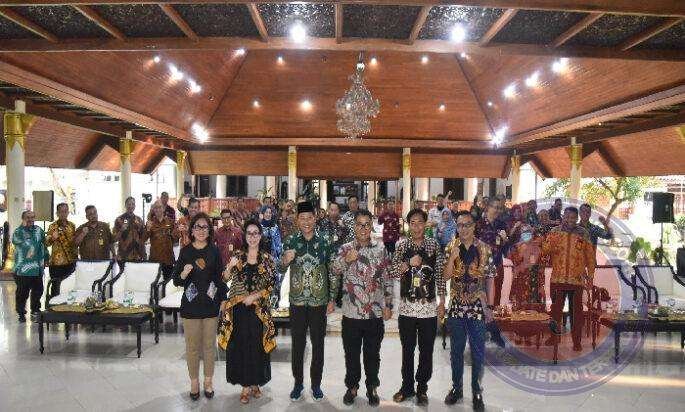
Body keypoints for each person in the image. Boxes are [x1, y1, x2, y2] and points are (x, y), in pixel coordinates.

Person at [331, 210, 393, 406]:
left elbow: (387, 279)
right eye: (359, 224)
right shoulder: (345, 248)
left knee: (372, 354)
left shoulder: (381, 249)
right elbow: (333, 270)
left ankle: (372, 387)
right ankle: (352, 387)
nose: (363, 228)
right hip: (351, 313)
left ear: (371, 226)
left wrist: (388, 304)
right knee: (351, 354)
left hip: (374, 313)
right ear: (354, 226)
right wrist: (346, 260)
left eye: (367, 224)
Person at [279, 201, 336, 402]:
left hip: (318, 302)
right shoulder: (290, 240)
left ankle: (316, 384)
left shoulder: (325, 240)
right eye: (302, 218)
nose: (306, 222)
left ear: (315, 218)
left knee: (318, 344)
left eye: (309, 218)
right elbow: (280, 269)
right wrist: (285, 260)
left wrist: (332, 298)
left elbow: (332, 271)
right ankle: (298, 383)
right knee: (298, 344)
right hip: (297, 302)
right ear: (297, 220)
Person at [390, 208, 446, 406]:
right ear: (408, 225)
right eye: (412, 223)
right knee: (407, 350)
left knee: (426, 350)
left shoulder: (433, 245)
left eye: (420, 222)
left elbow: (440, 275)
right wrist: (407, 263)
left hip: (428, 308)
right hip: (407, 308)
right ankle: (407, 387)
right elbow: (392, 271)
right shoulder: (401, 245)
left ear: (425, 224)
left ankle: (422, 388)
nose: (416, 227)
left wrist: (442, 301)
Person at [220, 219, 277, 404]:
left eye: (255, 233)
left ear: (260, 236)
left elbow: (271, 285)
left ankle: (255, 382)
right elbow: (224, 278)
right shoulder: (238, 255)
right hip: (238, 309)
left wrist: (254, 296)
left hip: (259, 310)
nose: (252, 237)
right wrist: (230, 265)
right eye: (249, 233)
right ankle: (245, 386)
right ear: (244, 236)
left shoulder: (267, 259)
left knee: (257, 347)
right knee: (241, 347)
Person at [443, 211, 494, 411]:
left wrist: (490, 306)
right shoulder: (450, 247)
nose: (463, 229)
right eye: (460, 225)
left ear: (474, 226)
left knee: (478, 352)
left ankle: (477, 390)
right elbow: (445, 277)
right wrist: (452, 258)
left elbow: (490, 279)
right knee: (456, 351)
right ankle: (457, 388)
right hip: (456, 307)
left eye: (467, 225)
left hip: (477, 307)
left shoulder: (485, 249)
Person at [173, 212, 226, 400]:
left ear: (209, 230)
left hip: (211, 305)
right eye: (197, 227)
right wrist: (184, 273)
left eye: (205, 227)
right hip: (191, 306)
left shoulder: (214, 251)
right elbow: (176, 280)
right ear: (192, 230)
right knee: (192, 347)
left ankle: (208, 382)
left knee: (209, 346)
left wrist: (223, 299)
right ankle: (194, 382)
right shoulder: (186, 251)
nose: (201, 230)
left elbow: (219, 278)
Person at [541, 206, 595, 352]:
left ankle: (576, 341)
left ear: (576, 219)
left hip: (576, 280)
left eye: (573, 218)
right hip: (557, 279)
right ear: (563, 217)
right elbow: (545, 250)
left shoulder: (583, 233)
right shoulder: (555, 231)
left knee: (576, 313)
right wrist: (551, 242)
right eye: (567, 217)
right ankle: (554, 337)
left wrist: (590, 277)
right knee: (555, 311)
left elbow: (590, 257)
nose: (569, 220)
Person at [12, 210, 48, 322]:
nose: (30, 219)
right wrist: (32, 247)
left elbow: (44, 244)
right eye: (28, 217)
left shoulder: (39, 230)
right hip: (23, 269)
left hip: (37, 268)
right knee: (22, 293)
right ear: (23, 219)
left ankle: (35, 311)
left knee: (38, 291)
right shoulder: (18, 232)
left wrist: (46, 257)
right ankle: (21, 313)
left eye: (32, 217)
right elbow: (20, 243)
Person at [475, 199, 510, 307]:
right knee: (481, 296)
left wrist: (505, 240)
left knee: (495, 296)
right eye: (495, 207)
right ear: (488, 207)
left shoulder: (502, 224)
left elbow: (505, 247)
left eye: (499, 208)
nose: (497, 210)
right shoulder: (478, 224)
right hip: (481, 265)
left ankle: (492, 313)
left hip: (497, 263)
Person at [45, 203, 77, 298]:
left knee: (69, 286)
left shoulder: (72, 225)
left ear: (68, 212)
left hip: (70, 261)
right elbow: (46, 243)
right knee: (56, 287)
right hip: (56, 264)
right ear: (57, 213)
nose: (63, 214)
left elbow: (75, 242)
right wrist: (52, 238)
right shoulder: (53, 226)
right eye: (61, 211)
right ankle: (54, 305)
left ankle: (68, 304)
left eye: (65, 211)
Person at [146, 201, 180, 281]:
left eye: (160, 207)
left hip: (168, 259)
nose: (158, 209)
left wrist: (175, 233)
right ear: (153, 210)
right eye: (156, 208)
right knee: (154, 282)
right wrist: (147, 229)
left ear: (163, 208)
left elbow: (176, 239)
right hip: (155, 259)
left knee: (168, 283)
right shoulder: (150, 223)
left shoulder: (170, 222)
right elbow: (144, 239)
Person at [260, 207, 283, 306]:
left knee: (274, 281)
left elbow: (278, 242)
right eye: (266, 212)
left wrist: (278, 255)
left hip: (273, 258)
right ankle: (262, 305)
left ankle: (274, 304)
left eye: (270, 212)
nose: (268, 214)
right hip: (262, 259)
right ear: (262, 214)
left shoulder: (275, 227)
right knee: (262, 281)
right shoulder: (259, 227)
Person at [113, 197, 146, 262]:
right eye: (129, 204)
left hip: (137, 256)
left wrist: (144, 255)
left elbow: (142, 239)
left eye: (133, 204)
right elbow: (114, 239)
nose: (131, 206)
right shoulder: (119, 220)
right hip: (123, 256)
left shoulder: (139, 220)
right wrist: (121, 230)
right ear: (125, 205)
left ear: (135, 206)